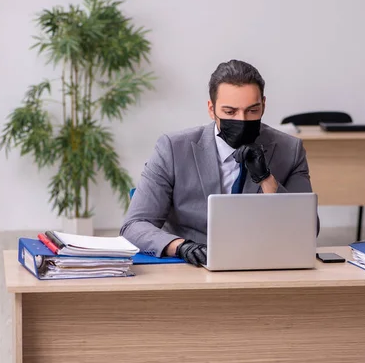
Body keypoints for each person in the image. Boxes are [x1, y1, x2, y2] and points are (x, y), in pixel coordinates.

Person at [120, 59, 317, 266]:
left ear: (264, 106)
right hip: (191, 268)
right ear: (211, 109)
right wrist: (181, 246)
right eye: (230, 112)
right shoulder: (173, 149)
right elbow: (134, 225)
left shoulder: (290, 149)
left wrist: (266, 179)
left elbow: (308, 230)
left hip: (263, 264)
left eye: (252, 110)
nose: (242, 120)